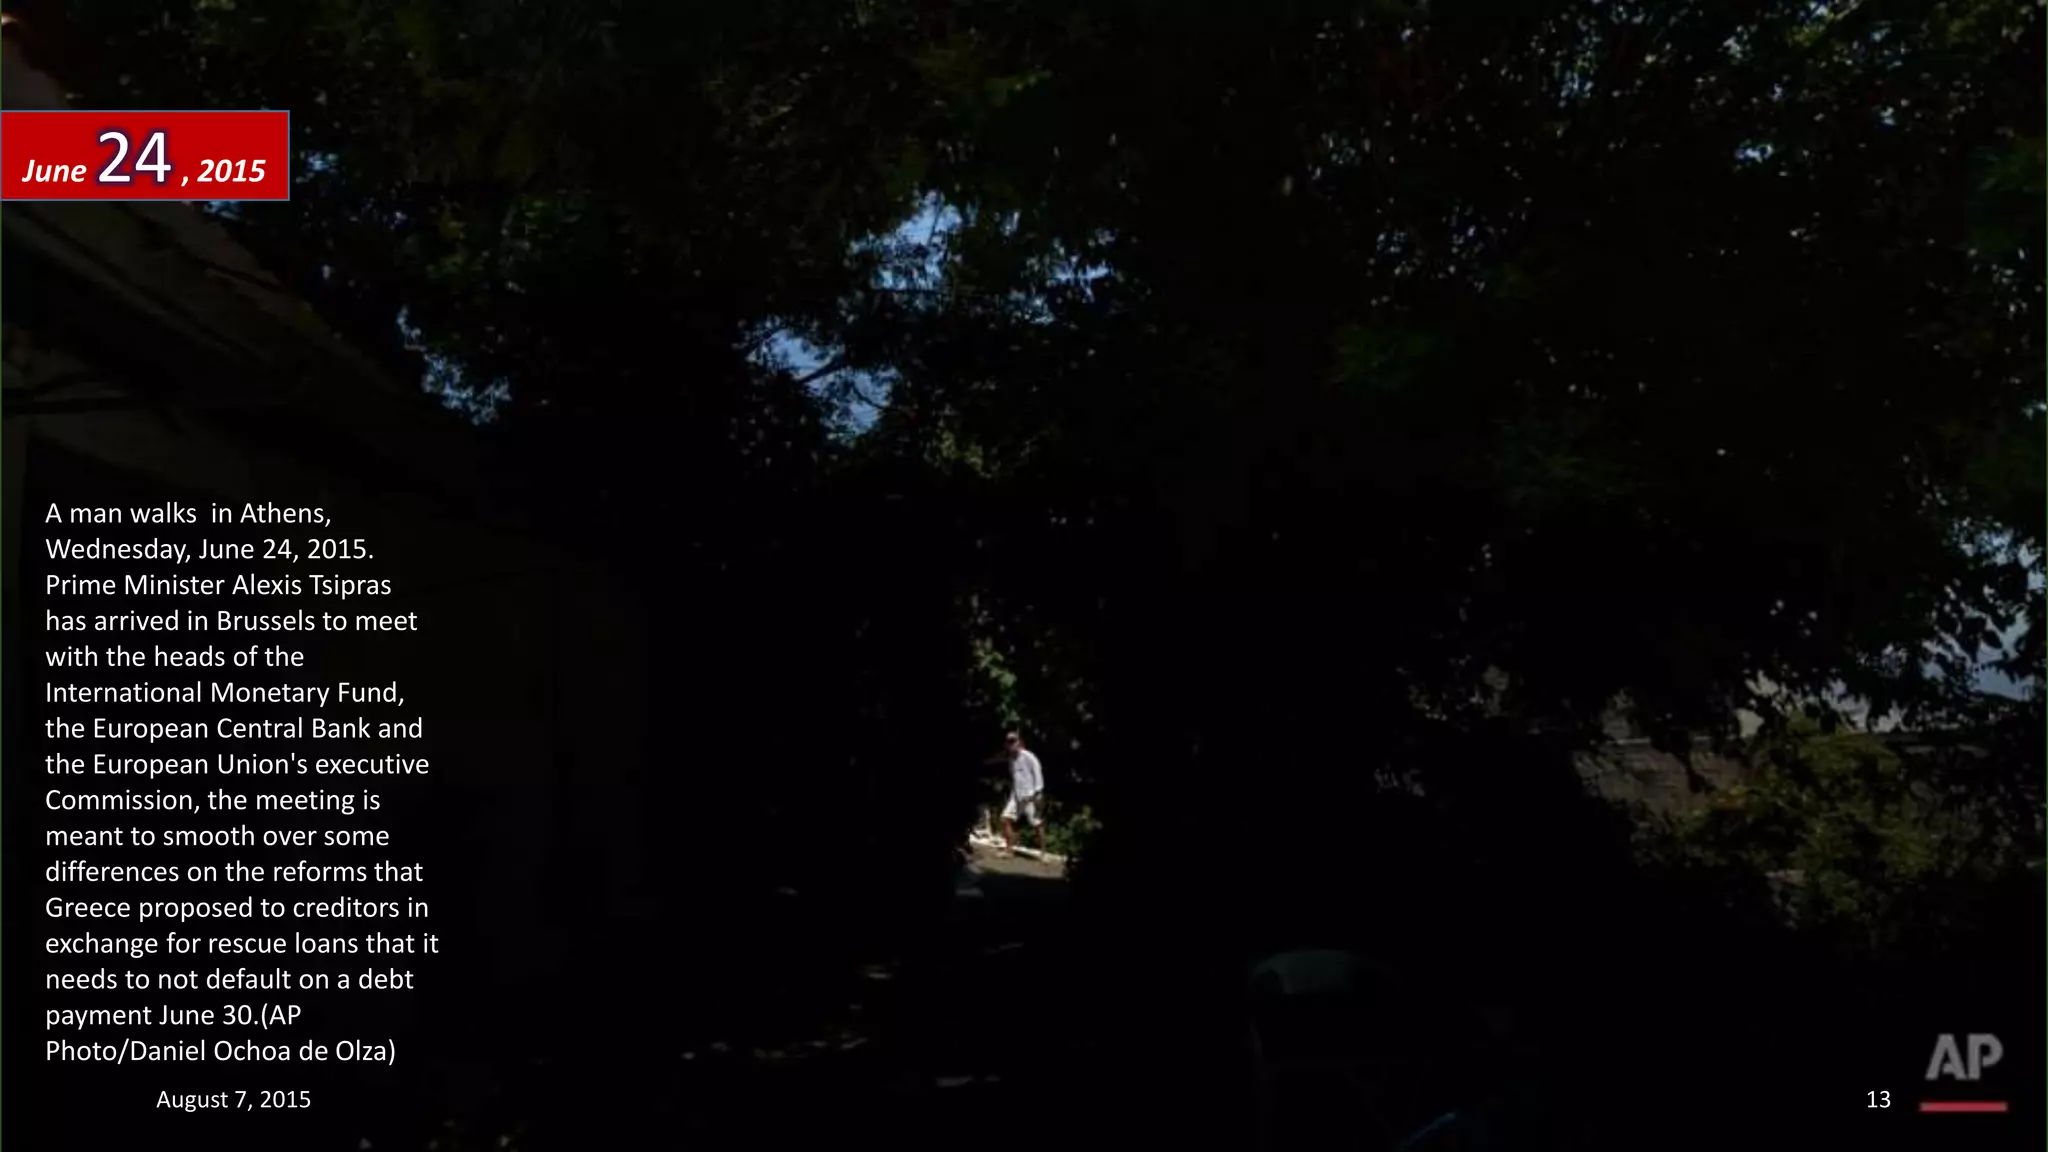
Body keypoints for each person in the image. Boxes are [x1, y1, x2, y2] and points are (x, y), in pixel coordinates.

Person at [999, 730, 1047, 856]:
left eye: (1013, 741)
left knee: (1037, 824)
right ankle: (1009, 849)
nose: (1011, 744)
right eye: (1009, 742)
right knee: (1004, 819)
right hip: (1016, 795)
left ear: (1019, 742)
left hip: (1030, 795)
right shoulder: (1011, 758)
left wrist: (1039, 792)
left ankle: (1043, 853)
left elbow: (1037, 772)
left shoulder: (1029, 756)